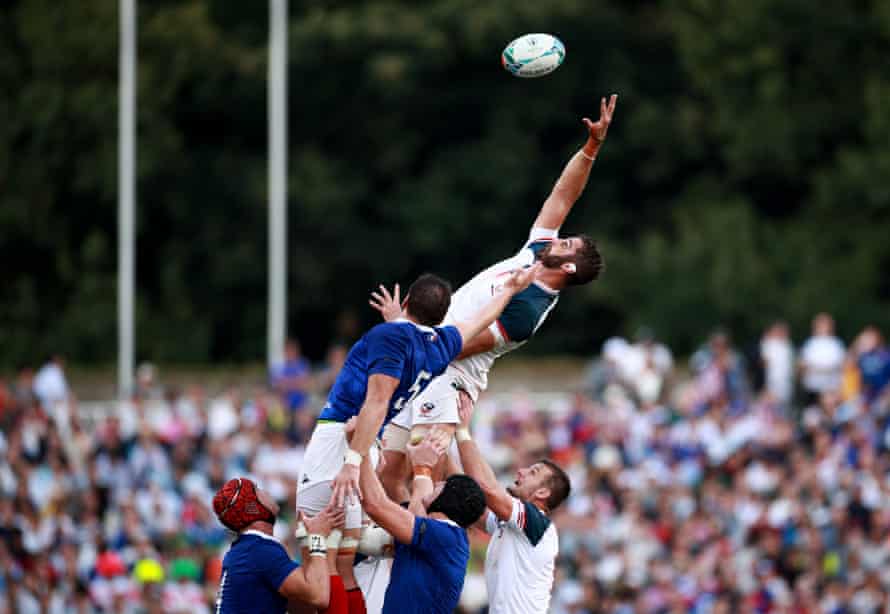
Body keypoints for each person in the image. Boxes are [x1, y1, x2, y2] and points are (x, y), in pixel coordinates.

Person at [372, 94, 617, 501]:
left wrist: (405, 333)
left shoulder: (527, 312)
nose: (560, 238)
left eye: (567, 244)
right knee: (386, 476)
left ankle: (425, 554)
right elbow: (562, 196)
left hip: (449, 377)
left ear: (569, 268)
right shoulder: (538, 253)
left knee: (424, 484)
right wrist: (592, 147)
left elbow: (462, 348)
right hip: (428, 357)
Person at [297, 267, 538, 606]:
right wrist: (508, 291)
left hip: (342, 436)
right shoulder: (441, 345)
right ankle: (369, 544)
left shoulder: (390, 337)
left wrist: (354, 459)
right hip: (369, 442)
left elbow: (377, 401)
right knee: (342, 560)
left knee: (313, 553)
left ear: (408, 299)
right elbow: (478, 321)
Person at [454, 393, 571, 614]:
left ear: (543, 492)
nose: (521, 471)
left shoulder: (537, 523)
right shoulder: (513, 526)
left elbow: (486, 488)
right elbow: (467, 495)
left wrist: (462, 431)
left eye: (533, 472)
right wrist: (444, 442)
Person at [357, 429, 486, 614]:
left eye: (443, 484)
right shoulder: (441, 533)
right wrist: (421, 468)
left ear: (449, 499)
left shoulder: (447, 537)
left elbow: (375, 505)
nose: (438, 484)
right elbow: (418, 506)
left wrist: (359, 448)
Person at [212, 477, 343, 613]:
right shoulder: (260, 550)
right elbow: (319, 596)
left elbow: (305, 608)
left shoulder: (245, 550)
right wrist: (317, 537)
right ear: (252, 507)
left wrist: (305, 539)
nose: (266, 492)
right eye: (258, 490)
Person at [799, 313, 846, 407]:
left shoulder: (836, 344)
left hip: (832, 386)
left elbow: (843, 363)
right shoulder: (810, 343)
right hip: (813, 385)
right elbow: (802, 364)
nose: (824, 328)